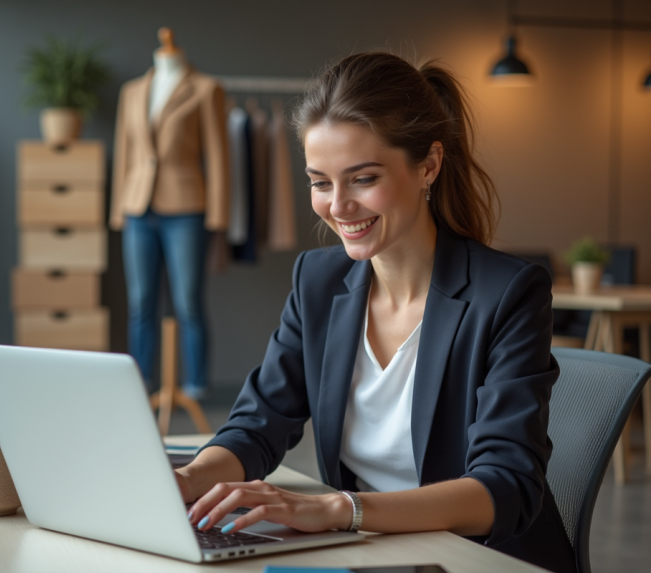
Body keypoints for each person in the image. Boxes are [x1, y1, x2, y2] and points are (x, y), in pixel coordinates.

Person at [175, 52, 575, 573]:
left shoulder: (508, 293)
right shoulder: (317, 281)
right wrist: (185, 481)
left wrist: (342, 510)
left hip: (478, 559)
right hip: (374, 556)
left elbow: (505, 487)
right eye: (321, 182)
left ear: (428, 165)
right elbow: (258, 425)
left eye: (362, 179)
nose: (338, 207)